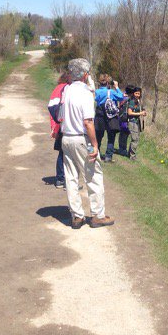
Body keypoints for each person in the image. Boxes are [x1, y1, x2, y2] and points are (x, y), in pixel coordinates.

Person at [59, 57, 114, 229]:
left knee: (71, 177)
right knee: (94, 175)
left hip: (66, 137)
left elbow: (60, 115)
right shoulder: (84, 93)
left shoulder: (66, 90)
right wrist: (95, 145)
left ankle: (77, 216)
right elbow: (88, 122)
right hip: (80, 138)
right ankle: (97, 215)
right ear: (84, 75)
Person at [94, 74, 126, 162]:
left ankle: (97, 154)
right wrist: (117, 87)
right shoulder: (111, 92)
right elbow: (121, 97)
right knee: (111, 137)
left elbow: (96, 99)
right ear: (108, 83)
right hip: (110, 116)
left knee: (98, 137)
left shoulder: (97, 92)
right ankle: (108, 156)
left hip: (99, 115)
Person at [47, 71, 69, 188]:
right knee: (67, 153)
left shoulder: (57, 88)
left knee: (62, 152)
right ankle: (65, 179)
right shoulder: (67, 88)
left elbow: (52, 110)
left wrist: (54, 127)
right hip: (66, 126)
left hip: (59, 126)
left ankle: (60, 179)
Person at [125, 87, 146, 160]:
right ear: (133, 93)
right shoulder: (132, 101)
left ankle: (129, 153)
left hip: (138, 122)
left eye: (138, 93)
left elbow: (142, 110)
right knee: (135, 139)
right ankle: (132, 156)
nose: (137, 95)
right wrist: (140, 113)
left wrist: (143, 113)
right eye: (136, 93)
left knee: (135, 139)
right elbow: (129, 113)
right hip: (132, 122)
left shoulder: (139, 101)